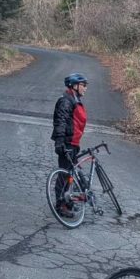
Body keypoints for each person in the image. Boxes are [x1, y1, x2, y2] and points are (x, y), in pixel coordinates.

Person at [50, 72, 88, 215]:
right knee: (64, 175)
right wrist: (60, 141)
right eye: (83, 85)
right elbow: (61, 120)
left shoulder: (74, 99)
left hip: (73, 143)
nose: (85, 88)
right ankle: (61, 206)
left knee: (71, 173)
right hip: (66, 143)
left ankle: (68, 202)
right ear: (74, 86)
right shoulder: (66, 100)